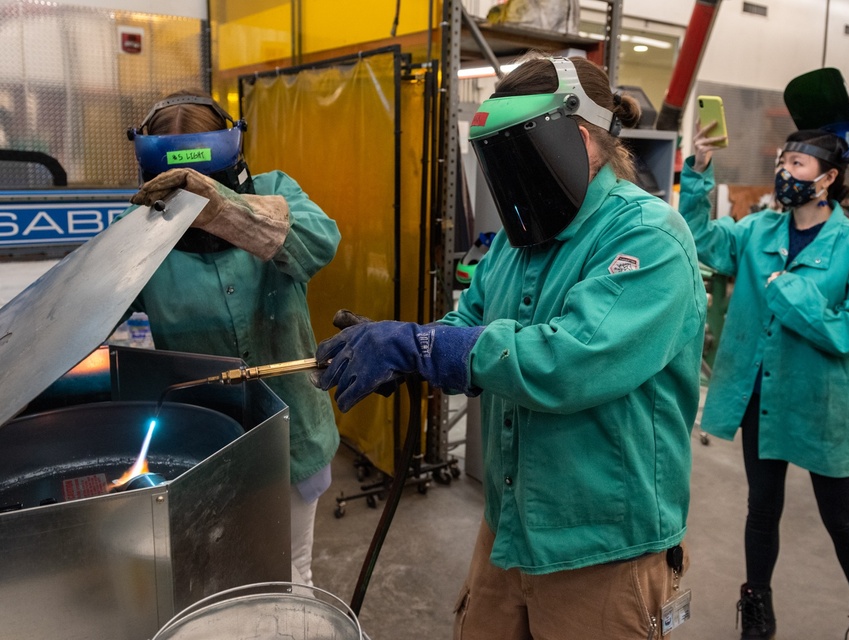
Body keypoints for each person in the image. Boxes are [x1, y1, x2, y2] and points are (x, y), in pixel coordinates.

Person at [313, 56, 706, 639]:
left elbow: (570, 362)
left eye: (515, 153)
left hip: (602, 542)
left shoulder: (647, 237)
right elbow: (469, 319)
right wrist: (406, 347)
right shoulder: (519, 241)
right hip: (510, 524)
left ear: (578, 139)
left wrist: (426, 349)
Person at [681, 119, 849, 639]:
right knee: (761, 508)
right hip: (763, 395)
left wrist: (795, 296)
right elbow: (702, 241)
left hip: (822, 400)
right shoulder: (757, 231)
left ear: (827, 178)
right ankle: (757, 607)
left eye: (797, 164)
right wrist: (700, 171)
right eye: (781, 163)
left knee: (841, 518)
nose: (784, 172)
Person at [124, 90, 341, 586]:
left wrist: (223, 208)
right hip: (201, 448)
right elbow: (93, 304)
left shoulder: (274, 192)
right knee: (212, 581)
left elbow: (319, 242)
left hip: (293, 438)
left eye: (209, 184)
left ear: (235, 165)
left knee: (288, 576)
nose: (193, 208)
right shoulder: (143, 225)